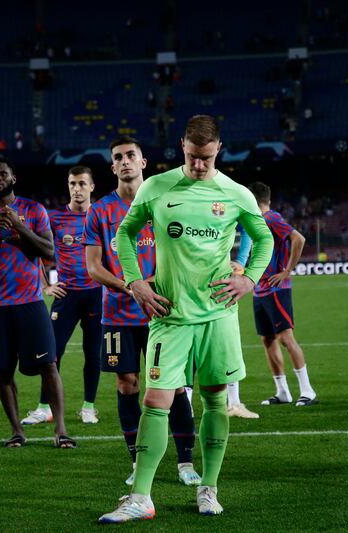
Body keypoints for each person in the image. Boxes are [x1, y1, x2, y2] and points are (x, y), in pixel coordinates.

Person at [99, 115, 273, 522]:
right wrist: (135, 282)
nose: (199, 165)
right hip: (171, 315)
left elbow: (264, 238)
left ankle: (208, 489)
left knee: (214, 401)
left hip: (218, 316)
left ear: (218, 150)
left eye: (207, 158)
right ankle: (141, 497)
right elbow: (125, 233)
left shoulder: (235, 193)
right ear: (182, 147)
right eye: (193, 157)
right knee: (154, 400)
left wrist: (249, 279)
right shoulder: (156, 187)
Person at [84, 135, 200, 487]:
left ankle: (185, 462)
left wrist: (153, 284)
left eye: (131, 155)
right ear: (112, 166)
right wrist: (132, 286)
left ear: (143, 162)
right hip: (118, 314)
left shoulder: (165, 203)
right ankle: (138, 460)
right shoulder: (100, 210)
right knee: (127, 384)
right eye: (117, 157)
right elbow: (93, 266)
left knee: (176, 385)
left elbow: (183, 254)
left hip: (164, 311)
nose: (124, 161)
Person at [0, 154, 75, 449]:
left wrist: (19, 227)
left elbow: (50, 251)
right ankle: (17, 431)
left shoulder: (33, 210)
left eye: (2, 173)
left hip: (31, 302)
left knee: (49, 365)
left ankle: (60, 430)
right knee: (3, 371)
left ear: (13, 178)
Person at [31, 166, 103, 424]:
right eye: (73, 183)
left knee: (93, 353)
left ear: (92, 187)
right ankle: (45, 407)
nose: (77, 188)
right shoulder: (55, 217)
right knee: (51, 352)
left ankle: (88, 407)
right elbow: (35, 250)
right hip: (66, 294)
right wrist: (44, 285)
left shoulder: (102, 216)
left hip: (97, 294)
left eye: (82, 183)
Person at [247, 181, 318, 408]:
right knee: (268, 340)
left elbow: (299, 238)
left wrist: (287, 271)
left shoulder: (271, 218)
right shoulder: (258, 220)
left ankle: (307, 391)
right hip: (260, 289)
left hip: (276, 288)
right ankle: (282, 392)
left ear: (252, 198)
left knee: (286, 339)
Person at [225, 226, 260, 419]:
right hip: (186, 280)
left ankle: (234, 402)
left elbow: (249, 229)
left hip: (220, 280)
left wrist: (240, 261)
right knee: (189, 347)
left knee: (227, 343)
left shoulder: (228, 197)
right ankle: (185, 405)